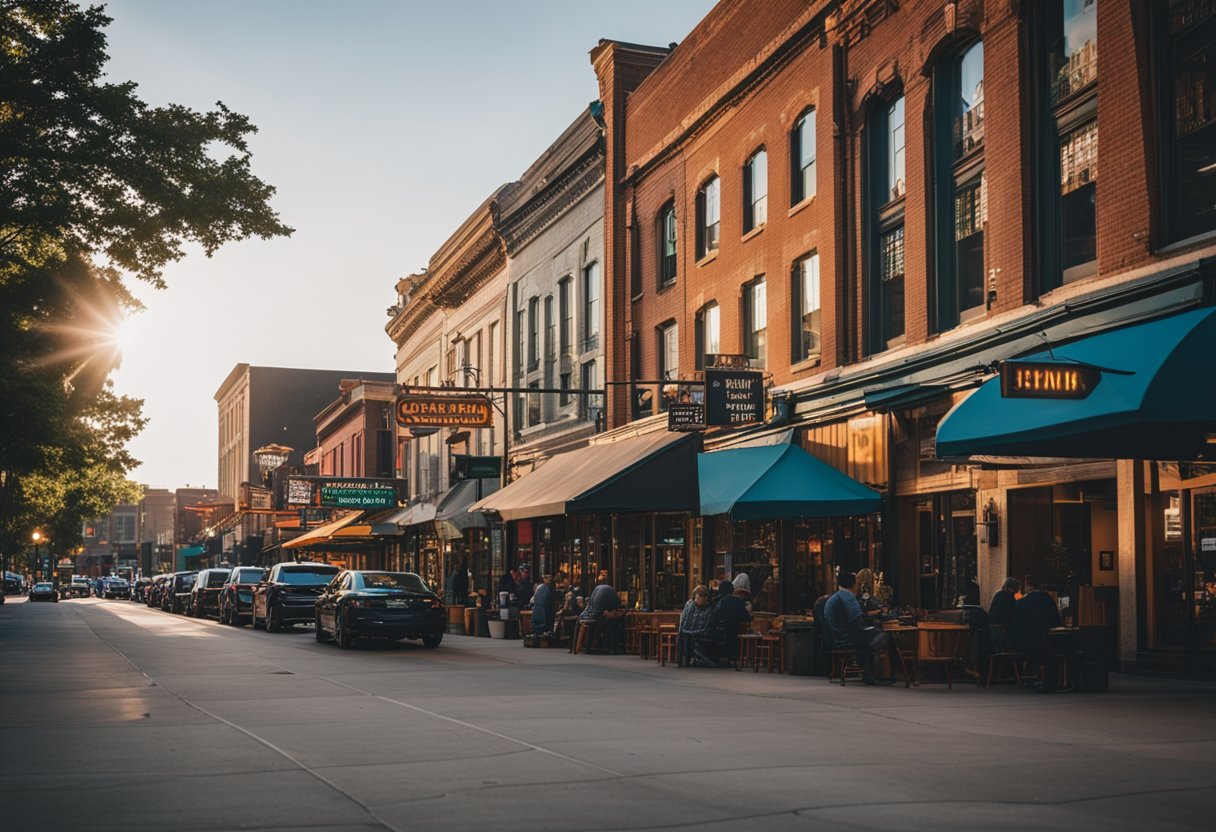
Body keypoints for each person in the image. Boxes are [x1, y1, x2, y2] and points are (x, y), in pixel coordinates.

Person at [822, 572, 883, 685]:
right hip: (844, 639)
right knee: (879, 635)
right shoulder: (847, 596)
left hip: (835, 638)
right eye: (857, 583)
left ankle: (868, 672)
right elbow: (857, 618)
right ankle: (870, 673)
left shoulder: (836, 596)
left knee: (871, 635)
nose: (859, 586)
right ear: (853, 584)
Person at [1007, 577, 1063, 691]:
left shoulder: (1023, 601)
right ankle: (1051, 682)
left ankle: (1035, 679)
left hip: (1018, 641)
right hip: (1038, 639)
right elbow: (1055, 621)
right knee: (1051, 654)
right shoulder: (1046, 600)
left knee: (1036, 653)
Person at [708, 579, 752, 667]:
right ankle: (733, 658)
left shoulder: (714, 601)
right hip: (733, 631)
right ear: (732, 590)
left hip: (716, 631)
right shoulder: (738, 601)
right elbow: (746, 617)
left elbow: (711, 616)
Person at [582, 578, 625, 653]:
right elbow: (617, 606)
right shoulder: (610, 594)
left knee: (598, 626)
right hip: (596, 616)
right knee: (613, 625)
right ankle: (612, 647)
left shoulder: (598, 589)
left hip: (588, 615)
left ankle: (589, 646)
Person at [678, 585, 713, 666]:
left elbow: (705, 623)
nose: (696, 600)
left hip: (701, 631)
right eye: (695, 598)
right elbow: (685, 619)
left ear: (705, 598)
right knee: (684, 634)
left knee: (693, 635)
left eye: (698, 598)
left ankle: (696, 659)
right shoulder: (690, 605)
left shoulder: (708, 608)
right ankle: (684, 659)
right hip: (688, 629)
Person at [530, 573, 555, 637]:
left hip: (537, 615)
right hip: (543, 614)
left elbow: (533, 600)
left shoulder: (540, 588)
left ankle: (537, 630)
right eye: (548, 578)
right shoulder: (547, 588)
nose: (550, 580)